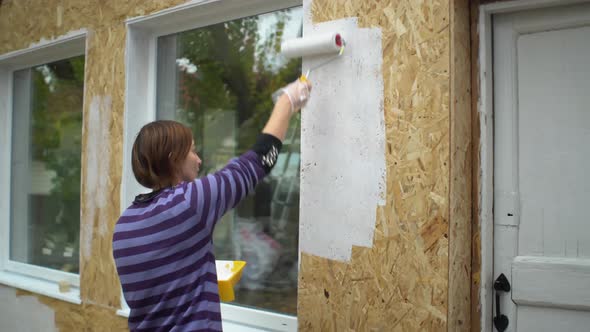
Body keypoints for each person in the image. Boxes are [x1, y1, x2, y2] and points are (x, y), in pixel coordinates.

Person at [112, 79, 311, 331]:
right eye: (193, 151)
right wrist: (288, 100)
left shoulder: (124, 224)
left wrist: (201, 278)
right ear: (174, 159)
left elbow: (163, 287)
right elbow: (259, 161)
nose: (198, 160)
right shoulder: (189, 203)